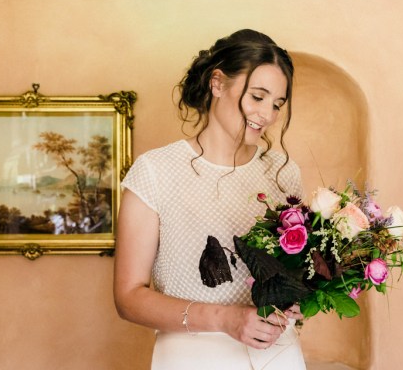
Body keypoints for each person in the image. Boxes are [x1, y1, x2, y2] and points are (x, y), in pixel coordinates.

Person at [114, 29, 307, 370]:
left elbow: (291, 273)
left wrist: (301, 296)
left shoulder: (283, 173)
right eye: (258, 97)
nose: (267, 114)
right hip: (191, 357)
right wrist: (224, 319)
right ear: (217, 84)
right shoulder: (155, 171)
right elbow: (128, 298)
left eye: (277, 104)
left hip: (277, 356)